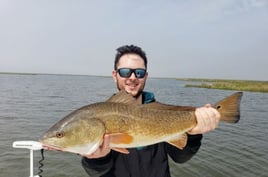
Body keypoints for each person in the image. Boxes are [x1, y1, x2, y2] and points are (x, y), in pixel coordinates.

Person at [81, 45, 220, 177]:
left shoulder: (161, 112)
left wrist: (194, 135)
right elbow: (96, 173)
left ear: (146, 76)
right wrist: (97, 160)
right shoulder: (97, 117)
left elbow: (180, 157)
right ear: (114, 75)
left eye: (139, 72)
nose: (133, 77)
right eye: (125, 72)